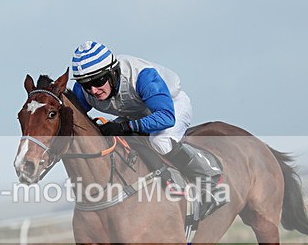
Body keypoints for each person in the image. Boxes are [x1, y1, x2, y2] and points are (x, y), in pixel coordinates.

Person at [70, 40, 222, 207]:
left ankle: (209, 177)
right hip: (135, 112)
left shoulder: (143, 77)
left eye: (98, 81)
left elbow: (165, 117)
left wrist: (124, 127)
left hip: (170, 106)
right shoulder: (83, 91)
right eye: (86, 84)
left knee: (160, 142)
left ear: (112, 72)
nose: (93, 90)